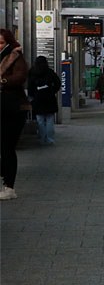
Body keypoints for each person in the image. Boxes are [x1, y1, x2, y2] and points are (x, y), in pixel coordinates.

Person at [0, 28, 29, 200]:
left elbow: (20, 77)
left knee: (7, 147)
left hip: (12, 108)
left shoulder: (15, 56)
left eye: (1, 42)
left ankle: (9, 187)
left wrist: (3, 80)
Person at [27, 55, 61, 146]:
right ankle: (50, 139)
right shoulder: (49, 72)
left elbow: (30, 86)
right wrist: (52, 91)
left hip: (37, 99)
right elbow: (58, 83)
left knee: (40, 120)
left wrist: (32, 96)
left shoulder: (32, 72)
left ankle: (42, 138)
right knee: (50, 120)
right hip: (49, 98)